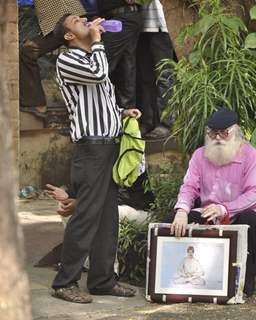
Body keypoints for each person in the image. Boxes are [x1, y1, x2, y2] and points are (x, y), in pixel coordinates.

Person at [50, 13, 141, 304]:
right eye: (78, 21)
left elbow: (103, 99)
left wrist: (123, 114)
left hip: (107, 147)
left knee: (107, 219)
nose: (86, 22)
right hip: (90, 150)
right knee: (86, 217)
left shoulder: (92, 57)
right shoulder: (68, 59)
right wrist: (99, 39)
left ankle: (102, 281)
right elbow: (99, 74)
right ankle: (65, 282)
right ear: (69, 36)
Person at [167, 106, 256, 297]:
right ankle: (175, 285)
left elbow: (254, 193)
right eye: (213, 133)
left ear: (235, 133)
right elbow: (189, 187)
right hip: (208, 213)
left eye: (224, 133)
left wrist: (224, 208)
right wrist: (182, 211)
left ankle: (244, 285)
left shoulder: (250, 155)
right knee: (172, 219)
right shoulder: (199, 155)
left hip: (240, 213)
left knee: (250, 220)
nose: (218, 138)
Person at [19, 0, 87, 118]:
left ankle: (37, 104)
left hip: (65, 17)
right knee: (85, 60)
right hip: (65, 16)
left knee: (27, 52)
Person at [136, 0, 176, 137]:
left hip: (163, 25)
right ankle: (147, 121)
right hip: (140, 25)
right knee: (144, 78)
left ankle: (166, 123)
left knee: (165, 76)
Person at [97, 0, 142, 110]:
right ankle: (126, 115)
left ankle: (98, 113)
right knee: (126, 67)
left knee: (101, 67)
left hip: (122, 17)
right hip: (119, 17)